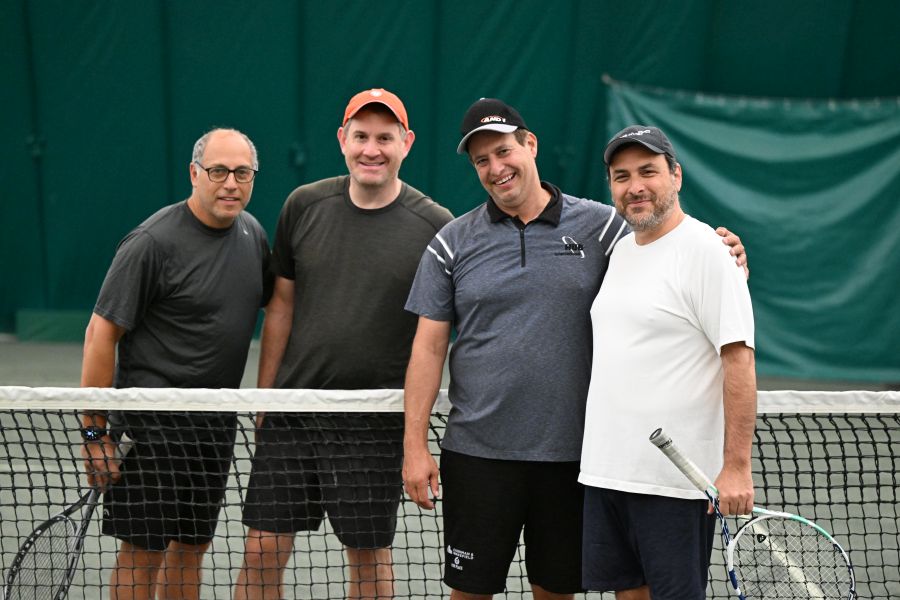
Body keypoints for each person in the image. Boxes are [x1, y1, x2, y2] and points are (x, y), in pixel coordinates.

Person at [402, 99, 748, 600]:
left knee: (556, 591)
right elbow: (428, 350)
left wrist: (726, 252)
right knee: (468, 593)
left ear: (530, 145)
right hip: (478, 456)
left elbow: (666, 240)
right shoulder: (451, 242)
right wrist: (414, 447)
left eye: (504, 151)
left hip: (574, 460)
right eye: (482, 160)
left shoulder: (604, 228)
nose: (496, 168)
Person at [234, 88, 453, 600]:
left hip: (373, 423)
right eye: (361, 137)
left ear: (406, 143)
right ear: (342, 140)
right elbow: (281, 307)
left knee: (367, 556)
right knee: (261, 550)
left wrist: (414, 435)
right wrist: (267, 397)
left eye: (384, 138)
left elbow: (436, 338)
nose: (371, 149)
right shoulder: (303, 205)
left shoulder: (435, 226)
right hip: (293, 413)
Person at [79, 127, 272, 600]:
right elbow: (101, 333)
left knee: (192, 547)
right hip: (152, 429)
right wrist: (94, 434)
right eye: (218, 171)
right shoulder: (152, 242)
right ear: (194, 174)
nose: (230, 183)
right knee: (142, 553)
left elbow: (281, 306)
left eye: (242, 173)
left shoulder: (252, 234)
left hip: (214, 426)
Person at [578, 126, 757, 599]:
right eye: (621, 176)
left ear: (676, 176)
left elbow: (739, 362)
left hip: (674, 485)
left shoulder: (709, 252)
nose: (634, 186)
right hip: (606, 471)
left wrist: (736, 466)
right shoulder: (620, 251)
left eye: (648, 172)